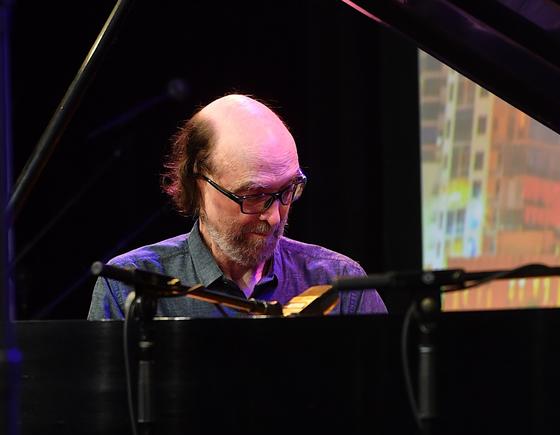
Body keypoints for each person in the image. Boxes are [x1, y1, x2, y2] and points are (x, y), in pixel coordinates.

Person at [88, 94, 387, 319]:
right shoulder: (128, 288)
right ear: (198, 183)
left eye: (287, 190)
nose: (272, 217)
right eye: (254, 195)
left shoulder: (341, 285)